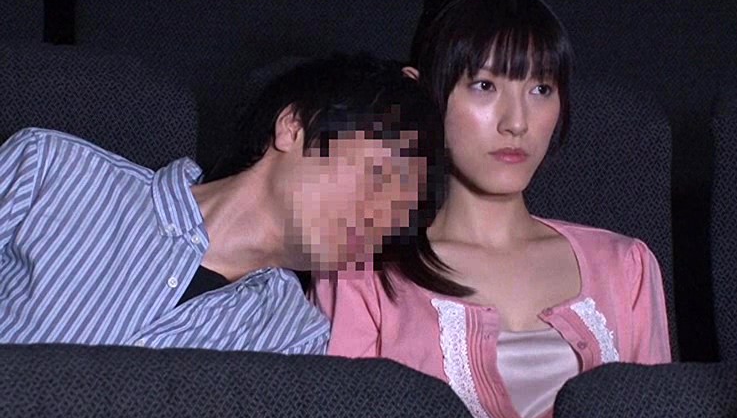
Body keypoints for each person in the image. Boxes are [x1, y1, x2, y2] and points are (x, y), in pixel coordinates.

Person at [315, 0, 671, 418]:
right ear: (421, 94)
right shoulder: (363, 272)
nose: (517, 122)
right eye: (484, 86)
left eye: (540, 89)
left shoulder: (626, 267)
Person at [0, 53, 442, 355]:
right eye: (379, 176)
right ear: (293, 127)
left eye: (397, 216)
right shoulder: (49, 171)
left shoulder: (295, 340)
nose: (380, 218)